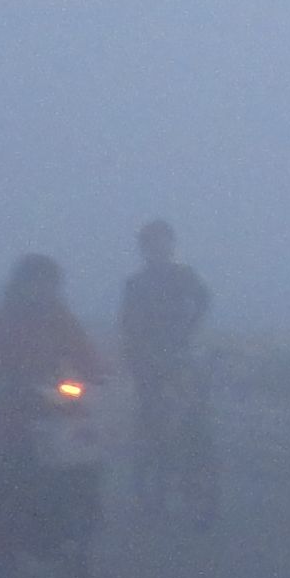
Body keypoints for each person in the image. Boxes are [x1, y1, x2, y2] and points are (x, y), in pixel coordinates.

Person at [0, 254, 105, 578]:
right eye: (35, 282)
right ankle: (1, 542)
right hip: (12, 412)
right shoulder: (0, 319)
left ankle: (80, 523)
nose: (41, 290)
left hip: (57, 412)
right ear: (21, 285)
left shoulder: (62, 320)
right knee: (4, 472)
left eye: (48, 283)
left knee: (86, 460)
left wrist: (97, 373)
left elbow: (87, 356)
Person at [117, 220, 215, 526]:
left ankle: (197, 478)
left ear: (171, 245)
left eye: (165, 243)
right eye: (154, 244)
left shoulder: (185, 276)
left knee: (196, 416)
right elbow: (126, 324)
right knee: (152, 416)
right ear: (146, 250)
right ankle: (151, 472)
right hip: (148, 361)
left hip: (180, 357)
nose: (161, 249)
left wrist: (188, 330)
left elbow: (204, 301)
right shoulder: (136, 284)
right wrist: (138, 350)